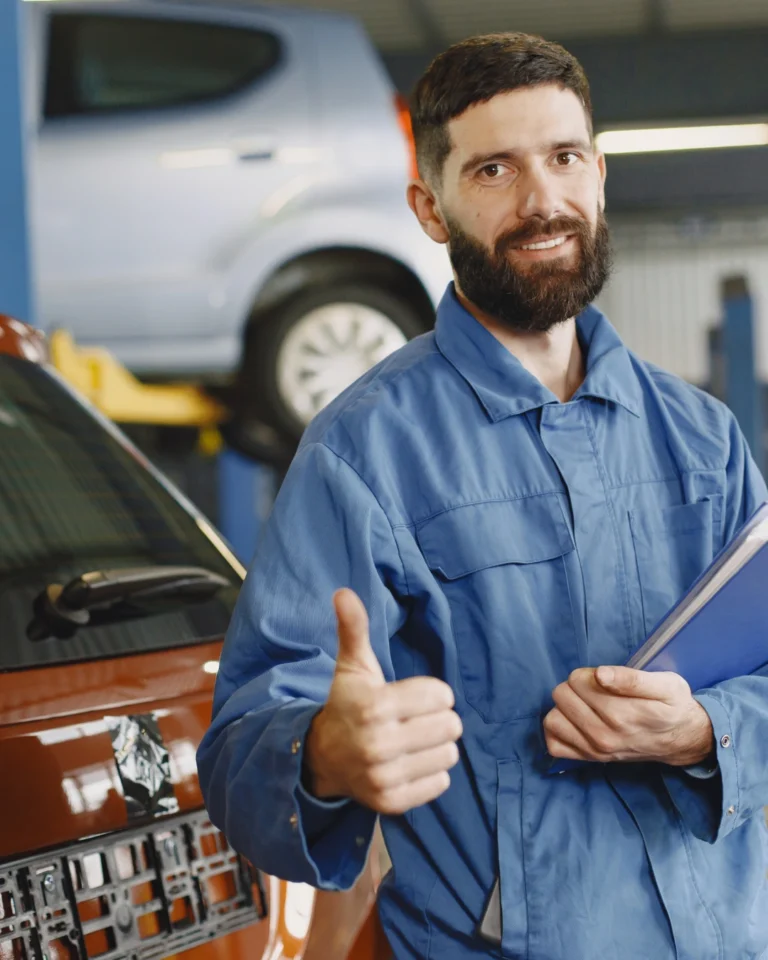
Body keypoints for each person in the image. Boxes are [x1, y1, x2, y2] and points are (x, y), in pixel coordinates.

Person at [197, 33, 768, 960]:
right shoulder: (365, 451)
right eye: (495, 169)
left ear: (600, 174)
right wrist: (330, 755)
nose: (542, 201)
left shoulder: (704, 438)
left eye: (565, 158)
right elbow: (239, 752)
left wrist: (708, 728)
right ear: (431, 207)